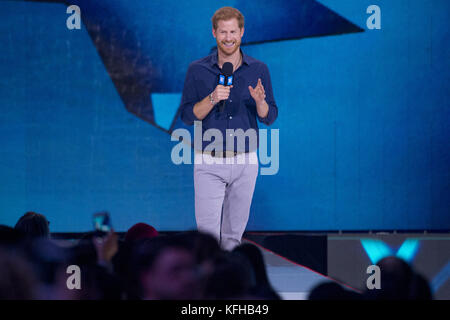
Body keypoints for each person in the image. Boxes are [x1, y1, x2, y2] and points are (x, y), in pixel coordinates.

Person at [180, 7, 278, 251]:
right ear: (214, 33)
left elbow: (269, 116)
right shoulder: (197, 70)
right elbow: (187, 116)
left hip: (245, 162)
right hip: (209, 161)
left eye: (233, 31)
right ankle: (206, 288)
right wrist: (212, 98)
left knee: (234, 238)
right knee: (207, 239)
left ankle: (228, 287)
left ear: (242, 32)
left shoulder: (259, 69)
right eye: (223, 32)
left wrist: (260, 102)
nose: (228, 37)